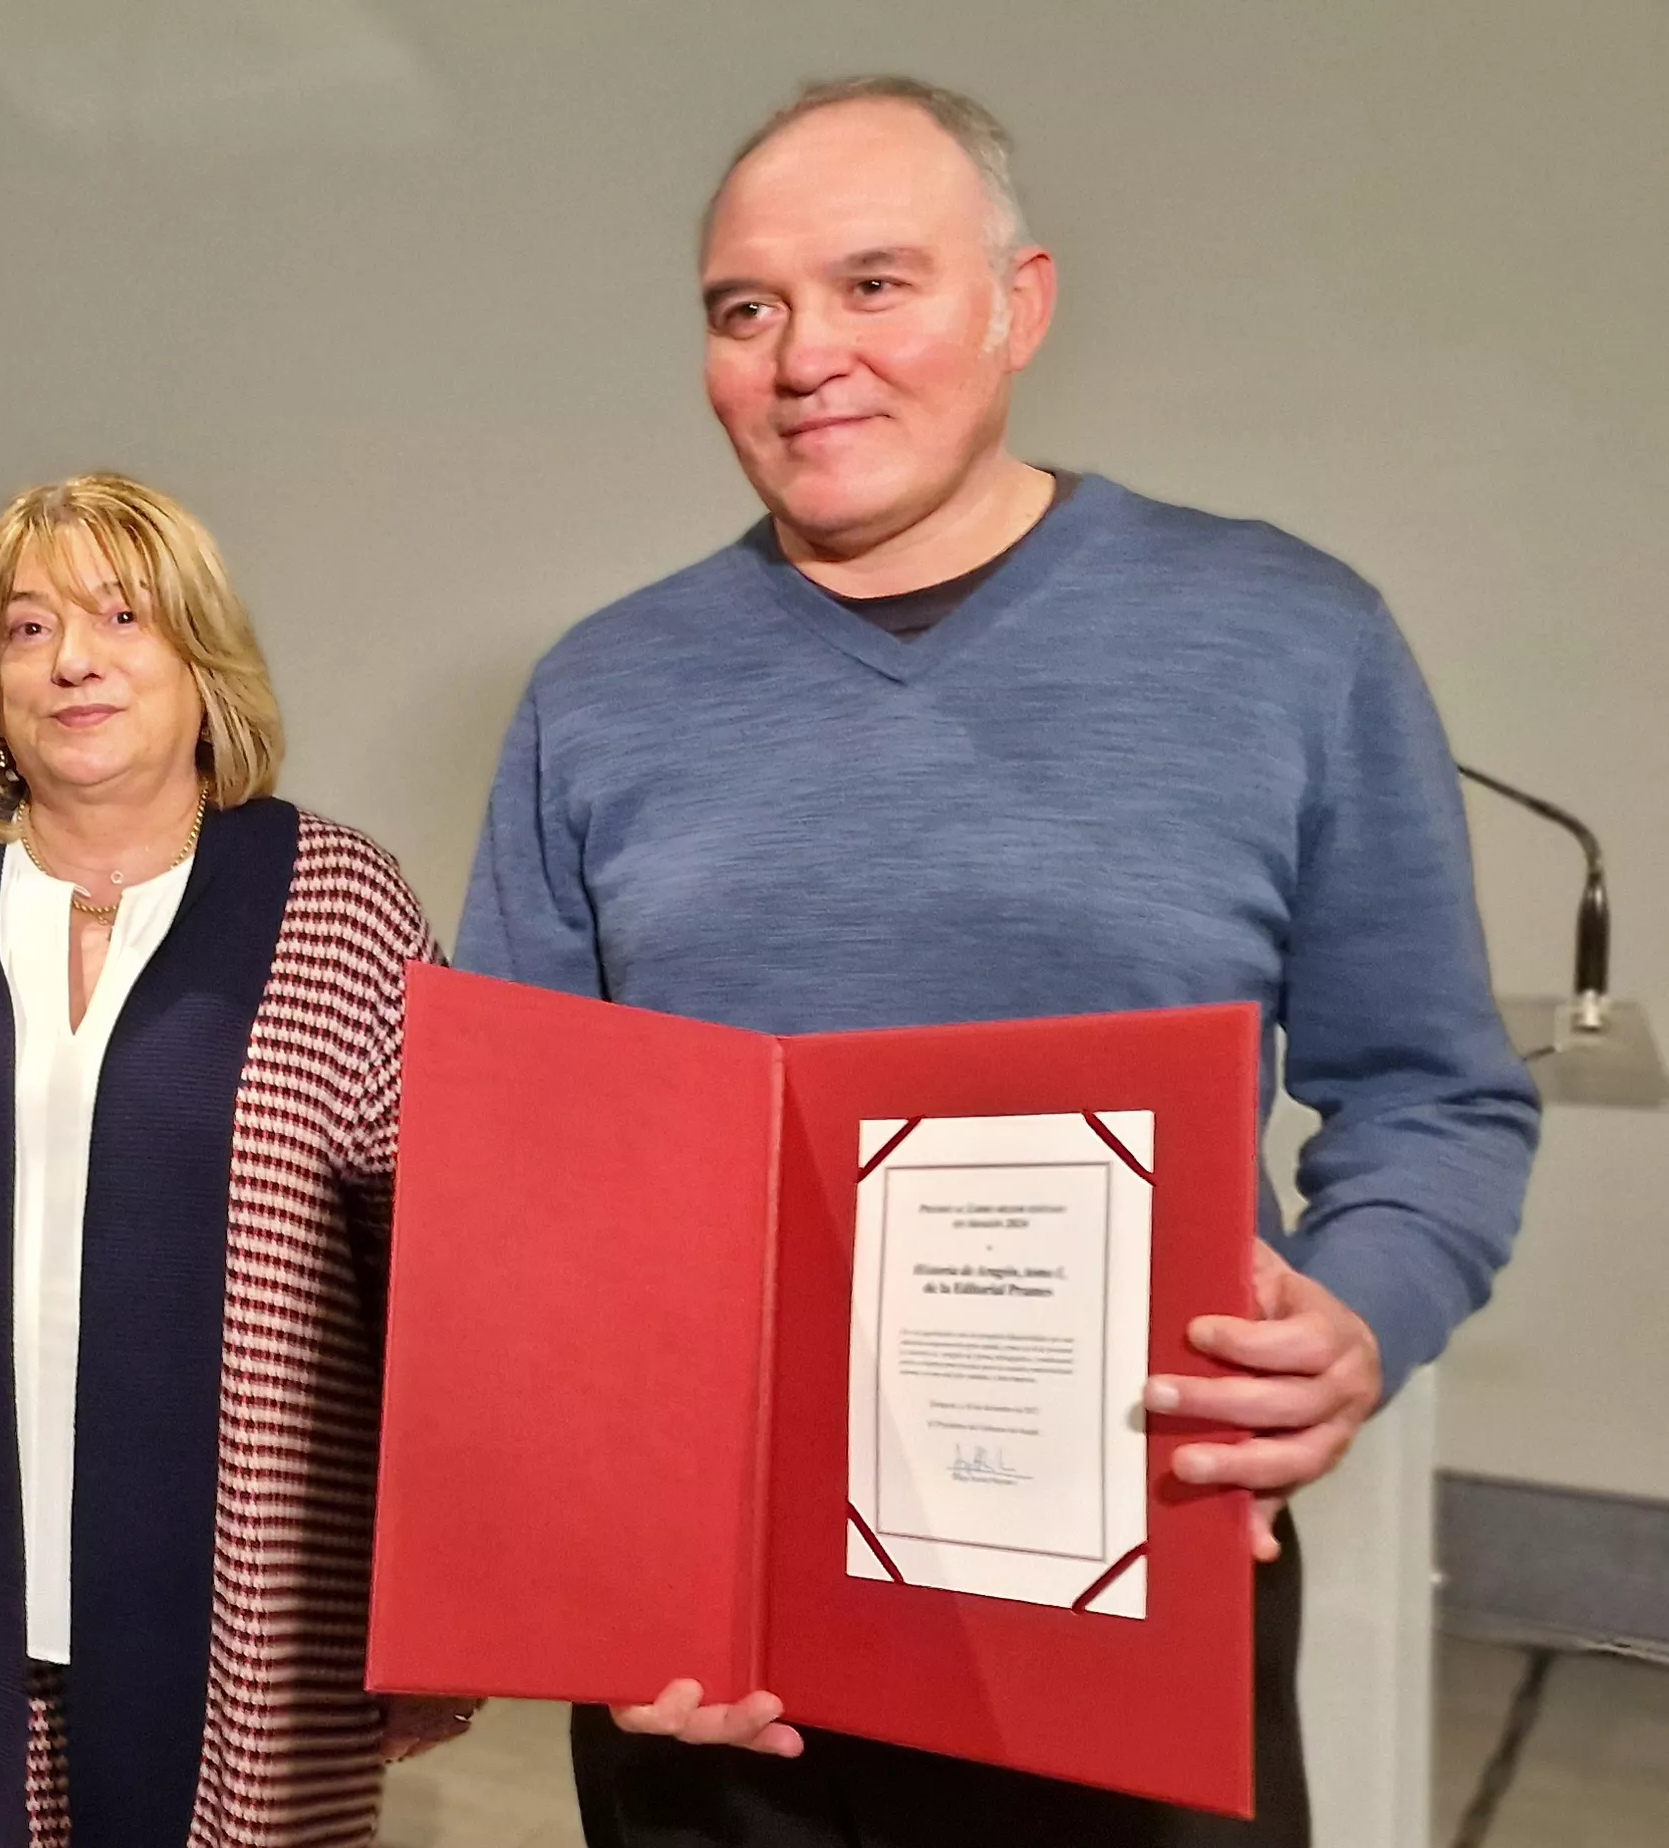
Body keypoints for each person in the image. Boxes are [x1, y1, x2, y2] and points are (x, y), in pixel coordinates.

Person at [458, 78, 1541, 1848]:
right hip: (716, 1669)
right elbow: (519, 1189)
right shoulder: (600, 695)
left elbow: (1434, 1095)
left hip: (1138, 1611)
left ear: (1018, 306)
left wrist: (1361, 1311)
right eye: (747, 309)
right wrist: (587, 1579)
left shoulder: (1289, 641)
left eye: (874, 285)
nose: (808, 356)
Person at [0, 473, 468, 1848]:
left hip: (261, 1594)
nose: (73, 660)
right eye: (28, 630)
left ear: (204, 659)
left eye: (122, 617)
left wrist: (441, 1582)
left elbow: (439, 1272)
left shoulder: (338, 902)